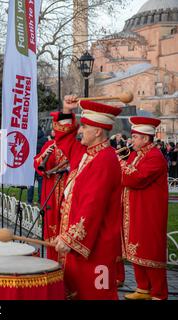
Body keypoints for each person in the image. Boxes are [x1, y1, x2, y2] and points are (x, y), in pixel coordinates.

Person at [51, 96, 122, 300]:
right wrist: (66, 109)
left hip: (95, 245)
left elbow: (92, 205)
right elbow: (64, 139)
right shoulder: (86, 153)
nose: (79, 131)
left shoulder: (105, 159)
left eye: (83, 127)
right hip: (81, 243)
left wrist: (71, 237)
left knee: (93, 294)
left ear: (98, 131)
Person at [120, 117, 168, 300]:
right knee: (136, 248)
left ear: (146, 139)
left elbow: (136, 178)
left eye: (136, 137)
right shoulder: (138, 155)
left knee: (150, 249)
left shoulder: (155, 156)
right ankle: (143, 288)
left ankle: (158, 292)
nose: (132, 140)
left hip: (149, 212)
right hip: (137, 208)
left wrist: (120, 164)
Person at [33, 128, 68, 261]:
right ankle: (53, 263)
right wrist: (43, 157)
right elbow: (36, 164)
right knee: (51, 229)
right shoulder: (49, 145)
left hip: (67, 192)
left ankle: (66, 267)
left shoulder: (75, 147)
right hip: (51, 192)